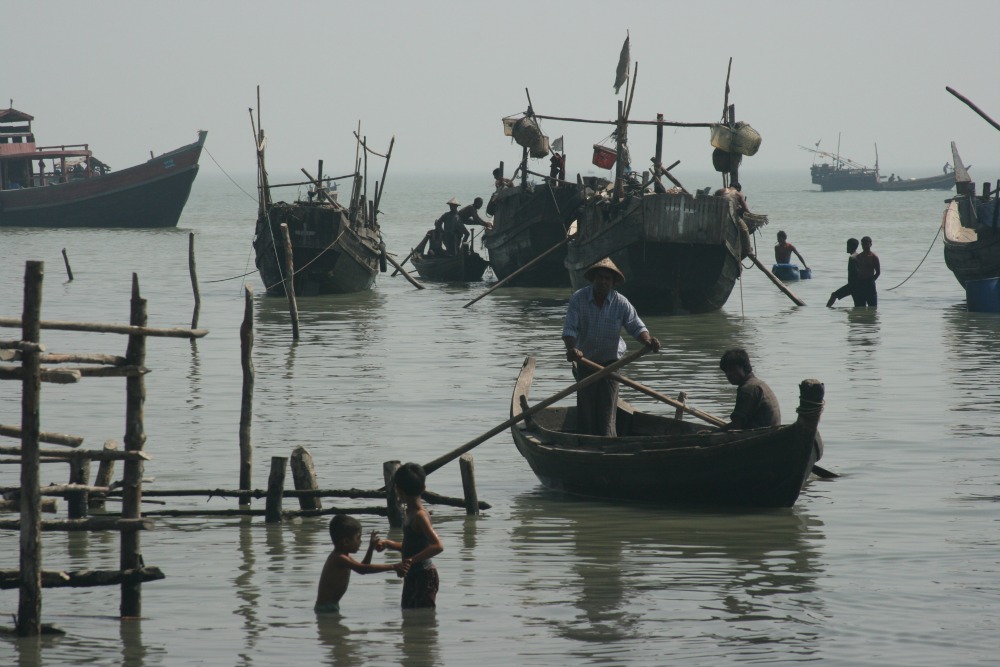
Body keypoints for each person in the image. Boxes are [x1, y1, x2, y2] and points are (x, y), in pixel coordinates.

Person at [562, 257, 661, 437]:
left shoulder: (621, 302)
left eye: (608, 279)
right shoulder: (579, 298)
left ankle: (607, 442)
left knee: (607, 410)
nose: (603, 282)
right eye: (600, 277)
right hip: (586, 362)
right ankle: (586, 442)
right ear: (593, 279)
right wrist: (572, 349)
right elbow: (570, 328)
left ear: (613, 283)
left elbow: (636, 326)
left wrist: (648, 341)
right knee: (587, 411)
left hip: (611, 364)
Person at [377, 463, 443, 609]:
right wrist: (389, 543)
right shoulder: (409, 513)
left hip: (425, 576)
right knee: (409, 620)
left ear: (398, 490)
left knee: (423, 622)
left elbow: (438, 546)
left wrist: (411, 560)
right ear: (423, 488)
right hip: (412, 574)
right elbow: (413, 547)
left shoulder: (420, 516)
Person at [314, 514, 408, 614]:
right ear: (346, 541)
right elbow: (363, 569)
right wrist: (393, 566)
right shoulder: (339, 558)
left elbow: (363, 567)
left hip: (330, 607)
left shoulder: (344, 556)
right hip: (325, 609)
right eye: (358, 538)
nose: (360, 542)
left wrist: (371, 548)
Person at [718, 349, 781, 431]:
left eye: (732, 369)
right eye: (726, 371)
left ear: (744, 367)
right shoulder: (759, 383)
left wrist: (712, 433)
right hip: (770, 432)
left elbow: (736, 425)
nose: (728, 374)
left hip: (760, 435)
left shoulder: (748, 389)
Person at [826, 238, 861, 307]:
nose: (846, 248)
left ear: (851, 247)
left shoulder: (852, 258)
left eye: (847, 246)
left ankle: (826, 310)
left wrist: (852, 286)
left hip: (853, 285)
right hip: (858, 285)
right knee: (858, 305)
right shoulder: (858, 255)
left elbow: (855, 272)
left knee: (834, 295)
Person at [854, 236, 881, 307]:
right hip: (860, 283)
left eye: (866, 244)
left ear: (870, 244)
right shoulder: (859, 257)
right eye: (863, 244)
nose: (864, 246)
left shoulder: (873, 257)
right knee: (860, 306)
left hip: (869, 283)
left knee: (872, 306)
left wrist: (871, 280)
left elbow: (878, 272)